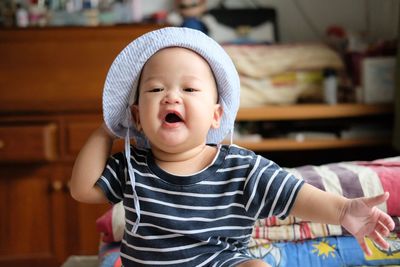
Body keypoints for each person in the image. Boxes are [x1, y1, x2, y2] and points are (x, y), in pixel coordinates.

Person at [70, 27, 395, 267]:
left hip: (220, 262)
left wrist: (343, 210)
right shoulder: (132, 165)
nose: (171, 96)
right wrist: (106, 130)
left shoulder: (240, 168)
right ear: (137, 117)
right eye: (155, 88)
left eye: (189, 88)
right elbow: (81, 190)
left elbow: (294, 195)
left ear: (216, 115)